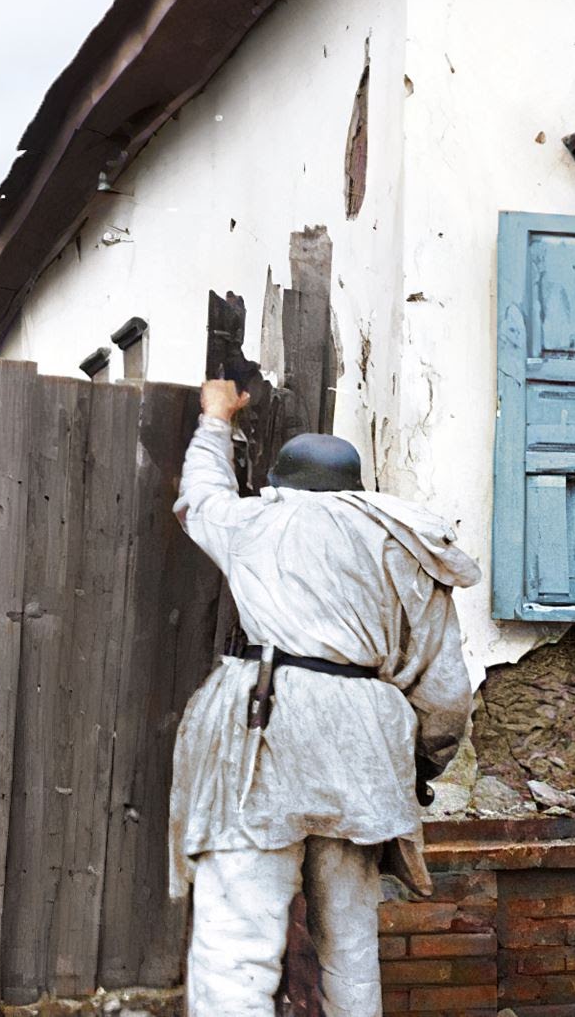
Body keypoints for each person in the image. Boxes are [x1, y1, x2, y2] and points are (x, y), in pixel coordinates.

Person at [170, 379, 480, 1017]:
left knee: (237, 943)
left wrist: (215, 421)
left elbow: (201, 495)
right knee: (350, 942)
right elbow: (445, 687)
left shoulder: (255, 520)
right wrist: (424, 763)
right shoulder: (406, 545)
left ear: (281, 482)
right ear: (355, 490)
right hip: (363, 741)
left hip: (263, 724)